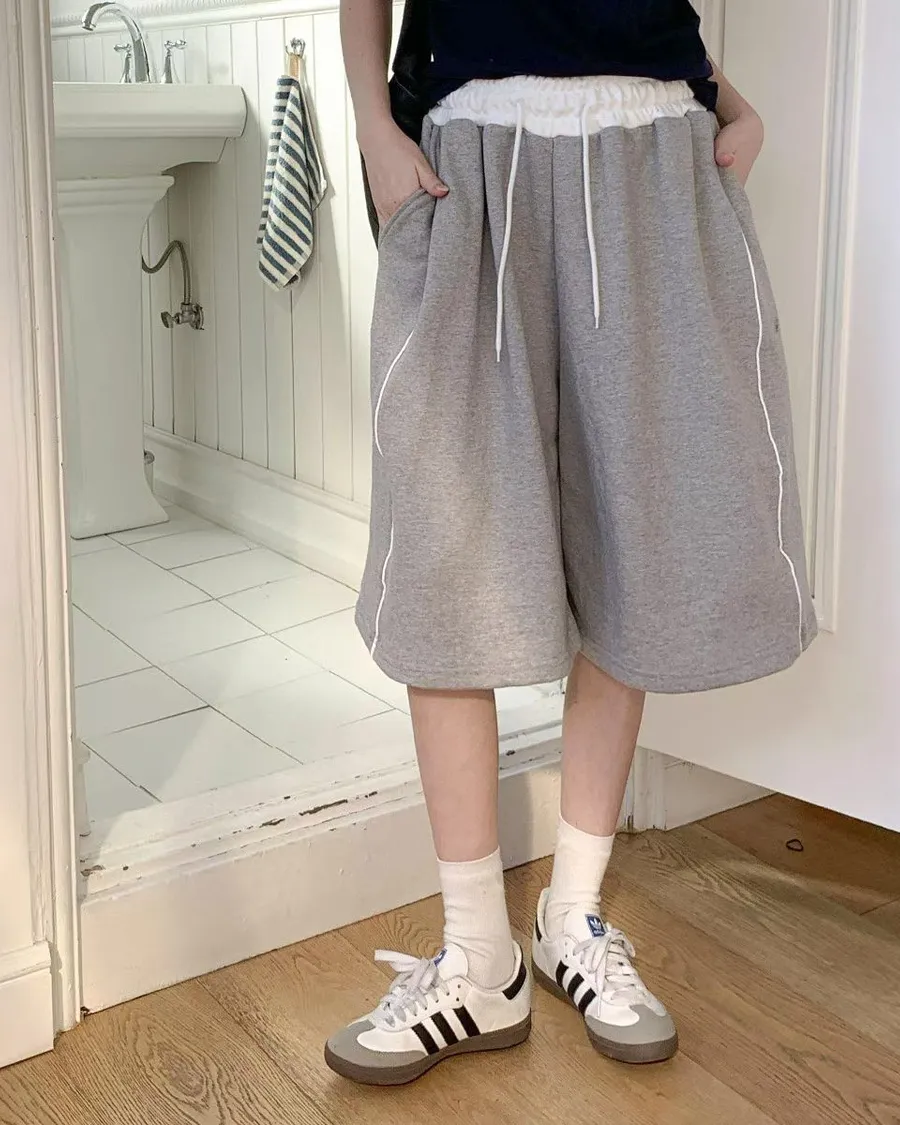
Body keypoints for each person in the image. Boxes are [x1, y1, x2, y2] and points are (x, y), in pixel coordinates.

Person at [328, 0, 818, 1086]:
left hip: (657, 163)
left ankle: (574, 917)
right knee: (448, 562)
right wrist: (373, 129)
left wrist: (732, 104)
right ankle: (477, 955)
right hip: (469, 161)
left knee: (636, 542)